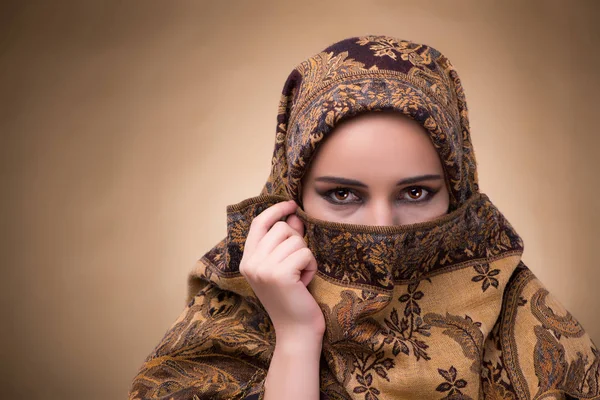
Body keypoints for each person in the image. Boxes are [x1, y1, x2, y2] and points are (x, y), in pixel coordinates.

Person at [129, 36, 599, 400]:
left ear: (457, 194)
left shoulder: (526, 320)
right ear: (291, 197)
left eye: (416, 192)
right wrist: (295, 334)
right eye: (342, 194)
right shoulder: (234, 318)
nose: (383, 227)